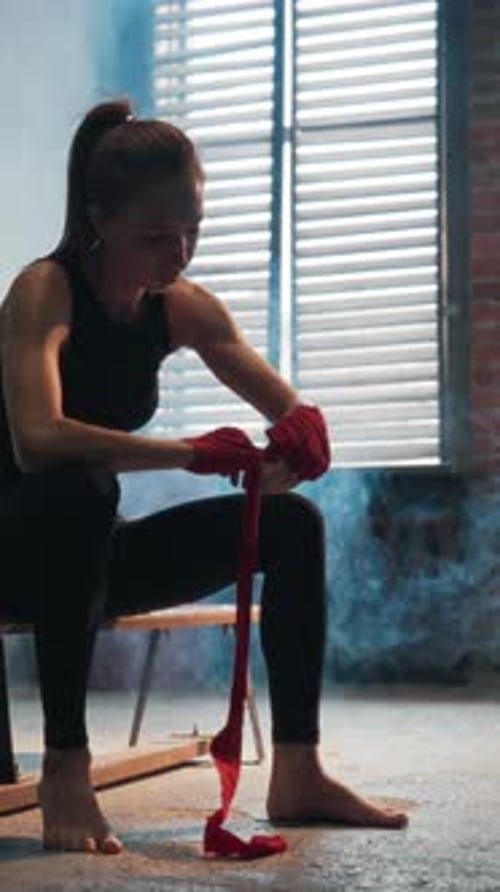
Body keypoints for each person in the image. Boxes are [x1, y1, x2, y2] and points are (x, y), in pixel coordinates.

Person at [0, 99, 408, 854]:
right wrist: (191, 451)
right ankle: (65, 764)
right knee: (77, 488)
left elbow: (281, 401)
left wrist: (300, 438)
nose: (179, 254)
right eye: (156, 237)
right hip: (17, 554)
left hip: (88, 560)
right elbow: (37, 440)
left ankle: (298, 770)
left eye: (192, 231)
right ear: (97, 218)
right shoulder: (44, 291)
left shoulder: (182, 309)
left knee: (292, 525)